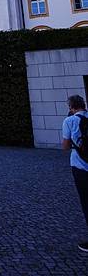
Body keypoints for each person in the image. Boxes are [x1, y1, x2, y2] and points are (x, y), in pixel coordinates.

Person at [62, 94, 88, 252]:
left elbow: (65, 146)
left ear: (71, 107)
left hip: (80, 165)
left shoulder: (70, 121)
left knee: (86, 200)